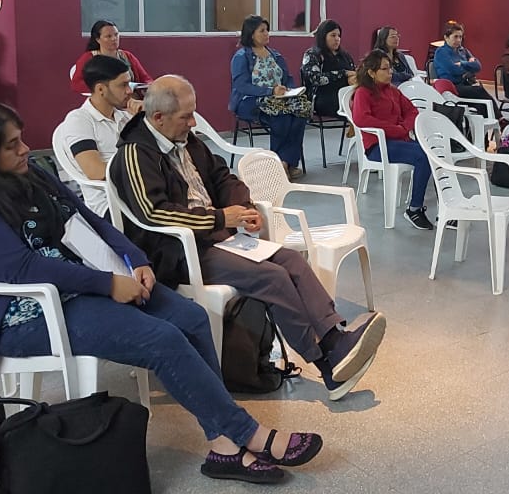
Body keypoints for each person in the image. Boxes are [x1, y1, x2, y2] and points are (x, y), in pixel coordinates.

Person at [0, 103, 322, 484]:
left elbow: (87, 218)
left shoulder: (29, 174)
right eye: (11, 145)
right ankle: (247, 434)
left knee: (191, 318)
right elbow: (22, 270)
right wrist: (108, 284)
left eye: (21, 139)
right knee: (161, 340)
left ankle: (222, 444)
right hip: (24, 312)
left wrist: (134, 259)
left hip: (82, 281)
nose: (25, 149)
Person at [112, 75, 387, 401]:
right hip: (178, 252)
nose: (194, 122)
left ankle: (334, 339)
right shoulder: (134, 154)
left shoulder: (186, 140)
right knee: (271, 277)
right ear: (158, 118)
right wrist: (220, 217)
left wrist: (243, 206)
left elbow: (221, 176)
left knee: (291, 259)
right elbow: (153, 213)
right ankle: (325, 360)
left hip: (215, 238)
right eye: (186, 116)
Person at [351, 50, 433, 230]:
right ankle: (414, 209)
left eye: (390, 69)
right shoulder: (363, 93)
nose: (390, 73)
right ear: (372, 72)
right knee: (423, 156)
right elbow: (361, 119)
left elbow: (412, 111)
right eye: (385, 69)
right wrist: (396, 130)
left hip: (399, 140)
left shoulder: (392, 91)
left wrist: (404, 127)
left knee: (434, 152)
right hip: (377, 146)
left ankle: (445, 210)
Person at [54, 55, 144, 216]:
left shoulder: (126, 117)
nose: (130, 91)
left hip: (144, 196)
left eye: (129, 84)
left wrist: (146, 117)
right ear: (101, 89)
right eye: (123, 85)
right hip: (112, 206)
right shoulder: (79, 120)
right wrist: (146, 168)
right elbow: (96, 172)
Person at [229, 15, 310, 179]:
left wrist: (290, 91)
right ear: (251, 34)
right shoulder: (241, 57)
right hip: (250, 101)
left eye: (267, 30)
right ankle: (280, 164)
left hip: (279, 99)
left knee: (300, 114)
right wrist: (270, 91)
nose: (267, 34)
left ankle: (285, 162)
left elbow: (287, 78)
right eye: (262, 31)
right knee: (282, 118)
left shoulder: (275, 55)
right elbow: (241, 86)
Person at [433, 21, 500, 119]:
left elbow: (478, 66)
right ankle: (500, 120)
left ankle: (489, 125)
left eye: (460, 37)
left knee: (481, 103)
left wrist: (463, 64)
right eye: (455, 37)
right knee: (479, 91)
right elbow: (454, 70)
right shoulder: (441, 52)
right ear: (446, 37)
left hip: (465, 85)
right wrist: (469, 66)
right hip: (451, 88)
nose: (459, 40)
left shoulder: (463, 51)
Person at [70, 20, 153, 94]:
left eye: (116, 35)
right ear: (98, 39)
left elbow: (146, 79)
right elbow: (76, 84)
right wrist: (107, 88)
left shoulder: (127, 56)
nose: (114, 39)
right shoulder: (89, 58)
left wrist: (148, 85)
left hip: (131, 97)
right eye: (108, 36)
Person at [300, 19, 356, 118]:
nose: (337, 39)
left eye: (339, 36)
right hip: (323, 98)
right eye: (333, 35)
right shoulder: (313, 54)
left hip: (346, 94)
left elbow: (353, 72)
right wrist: (343, 74)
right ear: (323, 36)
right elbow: (315, 79)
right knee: (356, 105)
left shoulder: (345, 55)